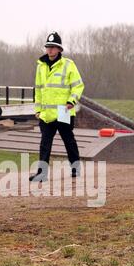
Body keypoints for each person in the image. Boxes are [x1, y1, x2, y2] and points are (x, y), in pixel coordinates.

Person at [29, 32, 84, 182]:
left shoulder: (68, 65)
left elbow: (78, 86)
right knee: (45, 144)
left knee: (68, 141)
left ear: (59, 49)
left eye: (53, 47)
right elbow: (39, 89)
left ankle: (76, 169)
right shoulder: (40, 66)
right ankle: (42, 174)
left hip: (63, 111)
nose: (50, 50)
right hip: (46, 113)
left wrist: (71, 101)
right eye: (48, 47)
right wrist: (38, 110)